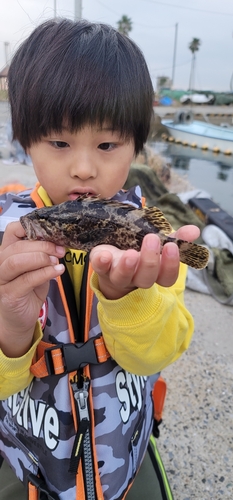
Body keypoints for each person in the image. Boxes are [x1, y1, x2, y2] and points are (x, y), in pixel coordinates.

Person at [0, 18, 200, 500]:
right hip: (31, 463)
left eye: (108, 145)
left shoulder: (149, 235)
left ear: (136, 144)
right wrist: (8, 327)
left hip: (123, 460)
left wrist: (132, 300)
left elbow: (157, 353)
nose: (84, 167)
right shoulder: (8, 240)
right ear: (25, 141)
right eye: (59, 142)